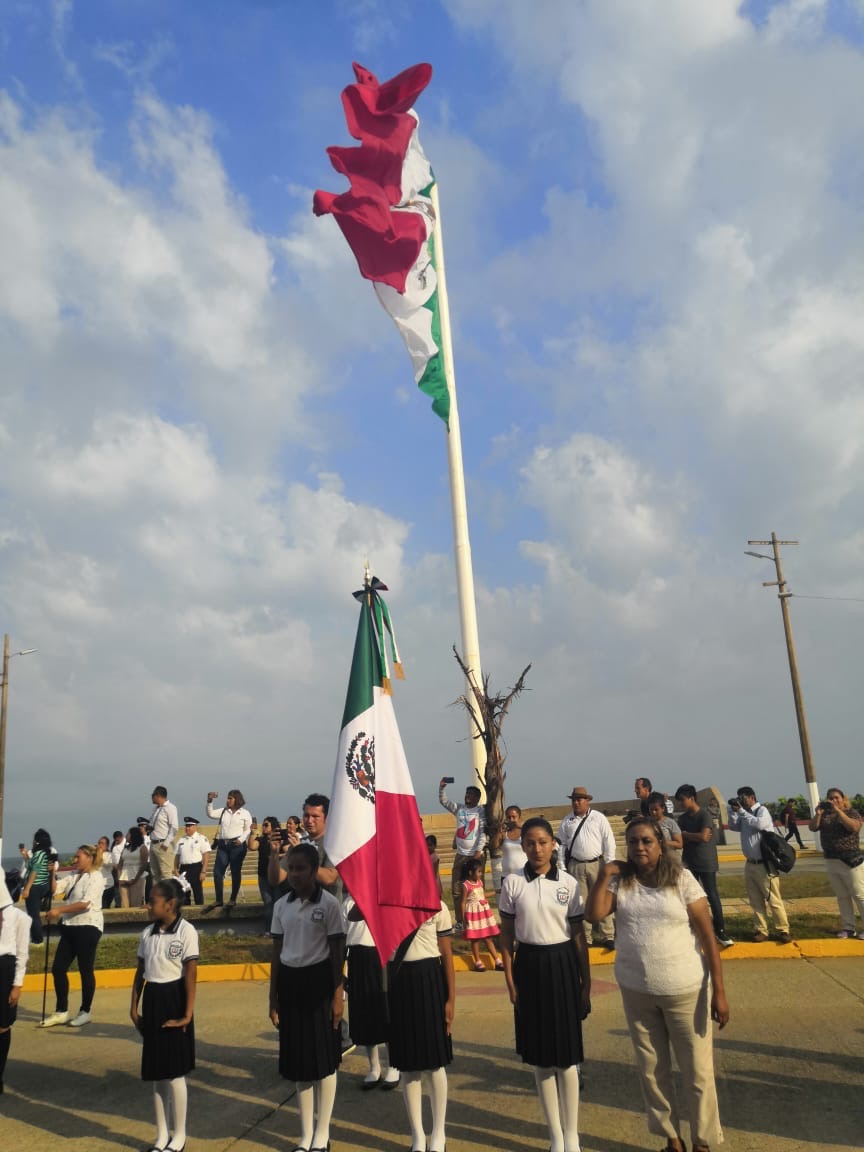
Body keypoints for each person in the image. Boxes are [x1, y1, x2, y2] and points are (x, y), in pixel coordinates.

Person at [586, 817, 728, 1152]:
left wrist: (719, 991)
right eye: (633, 841)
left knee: (697, 1071)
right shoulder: (621, 881)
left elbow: (708, 938)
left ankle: (702, 1141)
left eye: (647, 841)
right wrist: (606, 872)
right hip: (637, 991)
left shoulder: (682, 879)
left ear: (660, 844)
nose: (639, 848)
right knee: (652, 1070)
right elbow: (594, 915)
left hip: (685, 991)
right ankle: (672, 1139)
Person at [499, 817, 591, 1152]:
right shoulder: (512, 883)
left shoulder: (568, 883)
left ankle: (572, 1136)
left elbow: (579, 937)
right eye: (529, 843)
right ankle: (555, 1136)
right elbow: (507, 934)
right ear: (521, 846)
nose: (537, 849)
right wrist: (510, 978)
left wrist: (585, 984)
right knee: (540, 1058)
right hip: (529, 967)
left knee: (566, 1058)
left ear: (554, 844)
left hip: (562, 964)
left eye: (542, 842)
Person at [269, 842, 346, 1152]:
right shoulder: (281, 906)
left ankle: (322, 1134)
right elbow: (276, 953)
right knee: (299, 1063)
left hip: (320, 984)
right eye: (292, 868)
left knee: (323, 1062)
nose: (295, 875)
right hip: (290, 983)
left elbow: (337, 953)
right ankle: (305, 1135)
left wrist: (338, 996)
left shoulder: (328, 905)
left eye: (301, 869)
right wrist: (273, 998)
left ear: (315, 871)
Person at [131, 878, 199, 1152]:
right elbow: (140, 972)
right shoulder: (147, 934)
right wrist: (133, 1008)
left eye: (153, 901)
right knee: (157, 1073)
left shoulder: (186, 931)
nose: (148, 905)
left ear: (170, 904)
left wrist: (187, 1014)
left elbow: (191, 975)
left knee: (175, 1073)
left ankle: (179, 1135)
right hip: (154, 1001)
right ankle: (161, 1136)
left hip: (175, 1000)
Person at [386, 900, 455, 1152]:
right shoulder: (386, 903)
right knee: (408, 1066)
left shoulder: (437, 906)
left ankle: (439, 1133)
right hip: (399, 980)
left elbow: (447, 955)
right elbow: (354, 914)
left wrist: (451, 999)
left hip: (429, 981)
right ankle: (417, 1135)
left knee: (434, 1063)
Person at [41, 843, 106, 1028]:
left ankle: (85, 1011)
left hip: (88, 926)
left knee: (85, 970)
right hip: (70, 926)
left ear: (90, 858)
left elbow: (85, 903)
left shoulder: (96, 877)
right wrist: (52, 872)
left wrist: (59, 910)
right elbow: (55, 889)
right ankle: (62, 1011)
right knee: (58, 968)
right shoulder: (74, 876)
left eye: (79, 857)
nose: (75, 860)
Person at [344, 895, 400, 1089]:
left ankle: (394, 1065)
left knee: (385, 1011)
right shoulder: (348, 903)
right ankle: (374, 1067)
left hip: (380, 956)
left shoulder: (380, 898)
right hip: (357, 961)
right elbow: (343, 938)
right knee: (365, 1014)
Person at [728, 786, 792, 943]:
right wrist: (732, 811)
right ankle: (761, 930)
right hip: (750, 863)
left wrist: (742, 812)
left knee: (773, 899)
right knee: (755, 900)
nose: (741, 800)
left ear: (752, 797)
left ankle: (783, 929)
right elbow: (733, 826)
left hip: (765, 864)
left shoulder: (761, 811)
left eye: (743, 797)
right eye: (739, 798)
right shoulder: (744, 814)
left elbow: (760, 825)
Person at [674, 786, 734, 949]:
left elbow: (704, 837)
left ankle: (720, 930)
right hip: (689, 861)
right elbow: (686, 839)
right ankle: (694, 928)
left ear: (691, 798)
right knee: (689, 898)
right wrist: (691, 836)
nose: (680, 804)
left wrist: (687, 835)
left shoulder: (704, 815)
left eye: (682, 800)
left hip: (706, 861)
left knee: (712, 895)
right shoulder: (683, 819)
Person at [558, 786, 616, 948]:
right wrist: (562, 866)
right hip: (576, 865)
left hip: (597, 864)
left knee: (602, 897)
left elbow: (608, 841)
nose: (576, 802)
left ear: (587, 800)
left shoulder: (598, 818)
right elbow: (561, 845)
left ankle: (607, 935)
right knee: (581, 902)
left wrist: (610, 863)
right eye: (574, 799)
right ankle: (586, 937)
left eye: (580, 799)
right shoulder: (567, 821)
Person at [809, 788, 864, 939]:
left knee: (859, 895)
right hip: (831, 860)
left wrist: (838, 811)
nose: (834, 801)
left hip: (851, 861)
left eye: (836, 798)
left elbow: (854, 827)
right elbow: (812, 827)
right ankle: (848, 928)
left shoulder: (851, 812)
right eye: (830, 798)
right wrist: (818, 814)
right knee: (842, 896)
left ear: (843, 798)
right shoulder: (825, 814)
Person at [268, 793, 341, 899]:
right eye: (306, 816)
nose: (309, 820)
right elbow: (276, 879)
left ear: (327, 817)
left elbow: (329, 878)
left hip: (327, 909)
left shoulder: (334, 843)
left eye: (315, 816)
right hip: (301, 908)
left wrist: (303, 857)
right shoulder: (297, 843)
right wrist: (274, 854)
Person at [438, 778, 487, 929]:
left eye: (471, 794)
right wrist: (441, 789)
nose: (467, 796)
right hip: (460, 855)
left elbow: (483, 832)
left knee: (476, 890)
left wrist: (478, 851)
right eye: (466, 793)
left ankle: (478, 920)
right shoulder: (459, 809)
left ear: (477, 798)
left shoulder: (481, 812)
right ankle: (460, 922)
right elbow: (444, 801)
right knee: (457, 889)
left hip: (476, 855)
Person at [0, 873, 30, 1095]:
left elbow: (22, 952)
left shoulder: (19, 918)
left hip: (5, 968)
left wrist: (17, 984)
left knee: (2, 1025)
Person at [206, 789, 252, 906]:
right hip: (223, 845)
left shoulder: (245, 813)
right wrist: (210, 801)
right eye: (228, 798)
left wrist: (241, 839)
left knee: (235, 872)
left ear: (237, 799)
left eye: (230, 798)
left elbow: (249, 829)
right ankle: (219, 899)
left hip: (237, 846)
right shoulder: (223, 811)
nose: (228, 800)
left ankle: (232, 899)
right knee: (217, 872)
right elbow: (210, 814)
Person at [462, 857, 504, 971]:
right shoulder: (466, 885)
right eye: (479, 871)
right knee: (475, 939)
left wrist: (496, 891)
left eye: (481, 871)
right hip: (473, 915)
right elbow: (463, 901)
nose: (481, 874)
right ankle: (478, 961)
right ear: (471, 872)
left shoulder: (480, 882)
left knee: (487, 937)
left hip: (483, 913)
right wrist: (464, 917)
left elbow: (482, 895)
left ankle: (497, 960)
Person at [19, 828, 55, 944]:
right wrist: (25, 856)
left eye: (34, 840)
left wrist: (27, 889)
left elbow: (35, 870)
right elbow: (31, 865)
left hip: (35, 886)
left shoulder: (39, 853)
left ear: (38, 841)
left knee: (33, 915)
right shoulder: (44, 852)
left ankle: (38, 940)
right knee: (34, 914)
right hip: (42, 885)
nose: (33, 842)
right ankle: (36, 938)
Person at [248, 816, 282, 929]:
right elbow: (252, 846)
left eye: (266, 825)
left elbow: (288, 850)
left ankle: (279, 929)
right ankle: (268, 930)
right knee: (268, 903)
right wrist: (252, 833)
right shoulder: (261, 839)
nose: (263, 827)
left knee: (278, 902)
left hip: (277, 876)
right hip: (263, 876)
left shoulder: (279, 839)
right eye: (263, 825)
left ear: (273, 827)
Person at [174, 818, 211, 906]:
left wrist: (203, 871)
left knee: (197, 892)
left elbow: (206, 855)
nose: (187, 828)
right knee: (184, 894)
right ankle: (186, 914)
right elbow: (177, 855)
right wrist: (175, 869)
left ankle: (200, 913)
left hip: (196, 868)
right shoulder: (181, 840)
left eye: (189, 826)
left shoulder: (201, 838)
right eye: (186, 826)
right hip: (183, 869)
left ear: (195, 827)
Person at [148, 786, 180, 883]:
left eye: (153, 796)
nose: (152, 798)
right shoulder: (156, 809)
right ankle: (158, 896)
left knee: (166, 873)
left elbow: (174, 827)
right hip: (153, 842)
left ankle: (168, 896)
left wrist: (166, 843)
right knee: (155, 873)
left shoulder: (170, 808)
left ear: (158, 796)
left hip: (162, 843)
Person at [119, 825, 150, 908]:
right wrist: (119, 878)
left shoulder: (142, 848)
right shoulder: (125, 849)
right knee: (124, 905)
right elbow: (120, 865)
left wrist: (135, 879)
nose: (126, 836)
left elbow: (144, 865)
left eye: (128, 834)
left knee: (136, 904)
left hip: (137, 878)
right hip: (124, 878)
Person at [500, 805, 528, 886]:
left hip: (524, 875)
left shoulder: (525, 832)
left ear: (519, 818)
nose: (511, 820)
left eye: (514, 817)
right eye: (509, 817)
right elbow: (494, 846)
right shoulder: (503, 833)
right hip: (506, 876)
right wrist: (500, 830)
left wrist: (518, 827)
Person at [98, 835, 116, 909]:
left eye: (102, 843)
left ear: (107, 845)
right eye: (99, 843)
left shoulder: (110, 855)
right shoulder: (94, 856)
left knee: (105, 907)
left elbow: (108, 864)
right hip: (98, 886)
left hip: (107, 885)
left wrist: (100, 854)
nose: (100, 845)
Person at [110, 830, 126, 908]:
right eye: (115, 840)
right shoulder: (115, 848)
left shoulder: (127, 843)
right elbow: (115, 863)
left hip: (125, 869)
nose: (117, 841)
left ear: (122, 837)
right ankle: (118, 904)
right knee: (118, 890)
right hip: (118, 870)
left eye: (118, 840)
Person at [425, 834, 443, 899]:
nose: (428, 847)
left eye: (430, 845)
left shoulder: (435, 857)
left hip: (434, 882)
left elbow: (434, 874)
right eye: (426, 845)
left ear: (435, 846)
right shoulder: (425, 856)